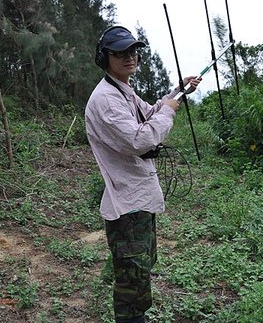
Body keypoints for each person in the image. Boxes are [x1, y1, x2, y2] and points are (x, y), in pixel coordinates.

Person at [85, 25, 200, 323]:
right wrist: (170, 111)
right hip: (127, 203)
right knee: (131, 281)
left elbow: (150, 113)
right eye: (120, 52)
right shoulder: (106, 99)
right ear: (104, 57)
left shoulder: (123, 92)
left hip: (138, 197)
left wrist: (178, 91)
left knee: (139, 269)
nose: (129, 57)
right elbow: (140, 139)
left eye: (133, 51)